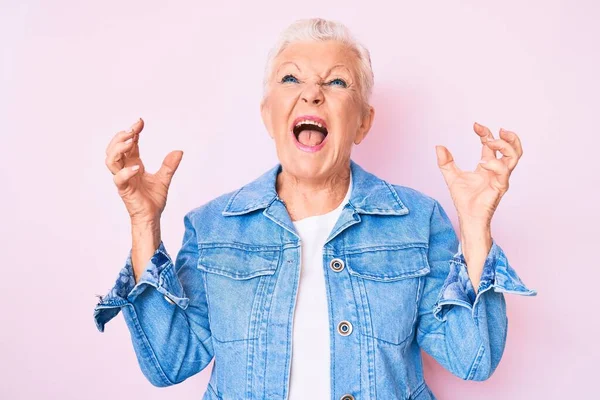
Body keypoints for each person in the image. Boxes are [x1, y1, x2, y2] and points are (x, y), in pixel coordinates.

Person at [94, 17, 537, 400]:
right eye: (292, 79)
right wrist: (143, 222)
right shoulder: (213, 227)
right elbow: (169, 363)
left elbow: (472, 359)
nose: (312, 95)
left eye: (336, 82)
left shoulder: (417, 221)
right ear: (268, 115)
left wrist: (476, 226)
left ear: (363, 121)